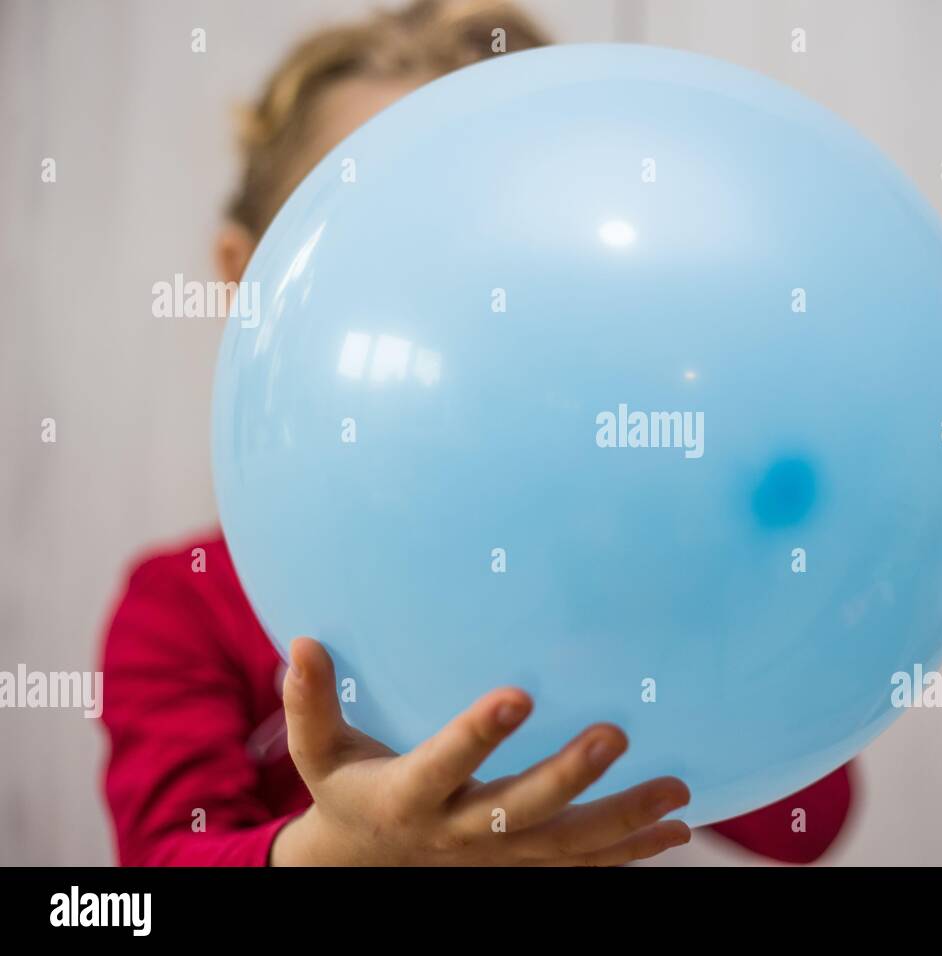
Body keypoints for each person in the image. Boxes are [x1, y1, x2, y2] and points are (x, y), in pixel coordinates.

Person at [100, 0, 853, 867]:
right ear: (247, 278)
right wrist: (336, 853)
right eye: (380, 246)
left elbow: (809, 819)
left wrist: (674, 598)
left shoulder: (624, 569)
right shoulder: (184, 605)